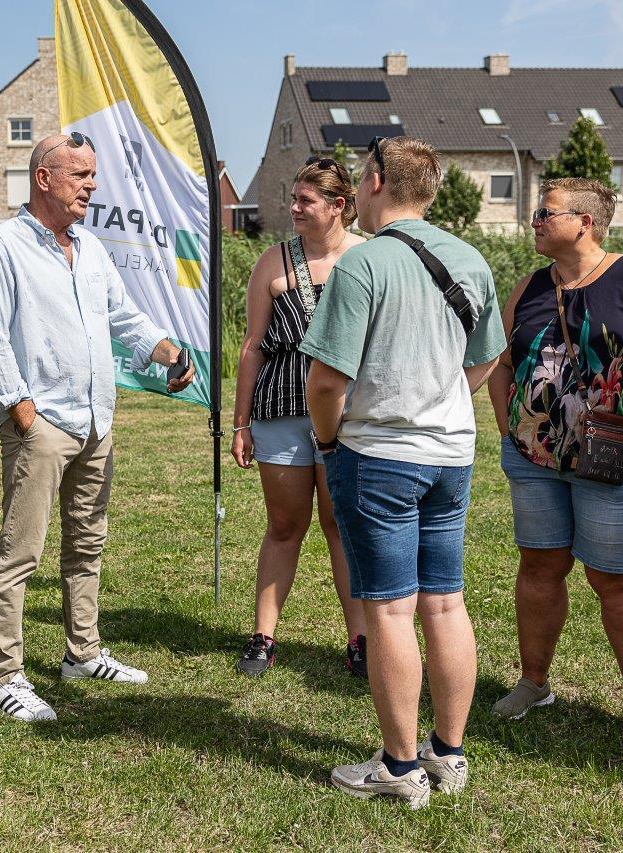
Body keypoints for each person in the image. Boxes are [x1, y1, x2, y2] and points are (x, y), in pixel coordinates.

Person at [302, 136, 506, 807]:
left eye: (362, 179)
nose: (358, 190)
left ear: (379, 181)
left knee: (389, 608)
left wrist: (330, 444)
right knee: (445, 601)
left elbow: (326, 382)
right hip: (451, 452)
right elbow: (484, 360)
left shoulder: (363, 266)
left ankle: (397, 767)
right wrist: (440, 399)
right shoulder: (471, 259)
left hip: (380, 453)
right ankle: (447, 754)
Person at [0, 132, 195, 722]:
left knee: (87, 542)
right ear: (44, 178)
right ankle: (4, 677)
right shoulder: (2, 246)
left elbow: (121, 315)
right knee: (20, 552)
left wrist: (166, 351)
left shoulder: (90, 249)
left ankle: (82, 652)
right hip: (41, 423)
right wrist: (21, 409)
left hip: (97, 419)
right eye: (80, 176)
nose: (91, 186)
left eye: (93, 176)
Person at [487, 178, 623, 749]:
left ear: (584, 222)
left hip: (614, 455)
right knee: (540, 566)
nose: (534, 220)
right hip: (535, 458)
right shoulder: (529, 285)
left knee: (619, 580)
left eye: (545, 213)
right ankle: (534, 682)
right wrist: (510, 426)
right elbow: (501, 361)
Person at [231, 157, 367, 679]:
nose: (293, 209)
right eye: (292, 198)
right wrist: (241, 423)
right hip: (281, 412)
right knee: (285, 526)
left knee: (342, 527)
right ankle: (264, 637)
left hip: (349, 415)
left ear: (338, 206)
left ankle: (359, 639)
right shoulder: (274, 260)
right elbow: (251, 347)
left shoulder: (369, 257)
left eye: (305, 201)